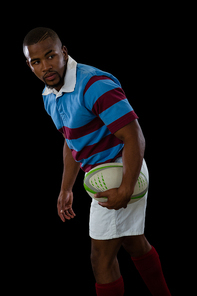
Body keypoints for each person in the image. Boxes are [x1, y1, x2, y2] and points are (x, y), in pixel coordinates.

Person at [23, 27, 171, 296]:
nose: (46, 66)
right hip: (100, 171)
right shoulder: (49, 94)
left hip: (121, 169)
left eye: (50, 56)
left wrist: (126, 189)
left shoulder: (93, 84)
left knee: (100, 259)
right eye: (36, 61)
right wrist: (66, 188)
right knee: (133, 243)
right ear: (29, 65)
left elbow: (134, 136)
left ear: (64, 53)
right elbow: (71, 141)